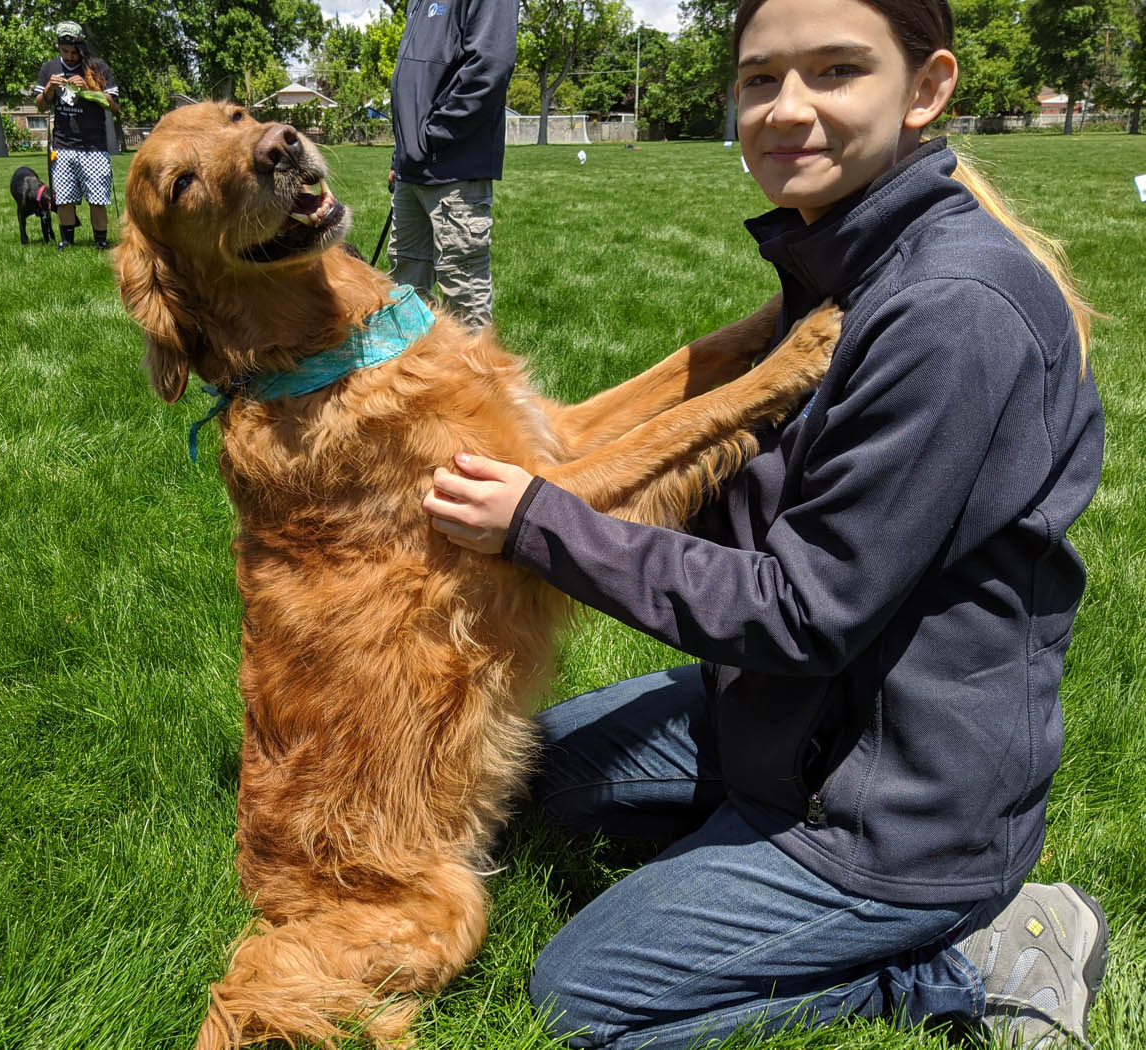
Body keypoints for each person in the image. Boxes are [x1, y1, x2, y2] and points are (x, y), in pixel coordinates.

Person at [421, 0, 1109, 1046]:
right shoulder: (840, 261)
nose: (785, 110)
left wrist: (540, 524)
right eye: (758, 79)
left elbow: (801, 611)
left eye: (835, 72)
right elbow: (747, 499)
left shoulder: (947, 311)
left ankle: (971, 959)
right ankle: (731, 853)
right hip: (788, 717)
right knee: (525, 782)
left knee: (579, 1000)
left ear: (924, 90)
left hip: (893, 803)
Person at [387, 0, 518, 329]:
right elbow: (413, 88)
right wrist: (401, 153)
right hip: (411, 171)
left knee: (464, 298)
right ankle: (412, 378)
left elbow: (490, 66)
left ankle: (476, 380)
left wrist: (433, 134)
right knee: (403, 293)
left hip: (454, 171)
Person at [34, 20, 120, 250]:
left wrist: (89, 88)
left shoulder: (97, 68)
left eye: (74, 52)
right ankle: (67, 242)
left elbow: (113, 106)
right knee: (64, 198)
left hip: (94, 145)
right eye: (65, 52)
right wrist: (49, 90)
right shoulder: (49, 69)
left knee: (98, 198)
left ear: (82, 47)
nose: (70, 57)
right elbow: (40, 106)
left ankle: (101, 241)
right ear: (59, 47)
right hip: (63, 145)